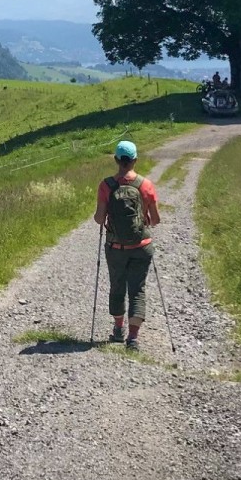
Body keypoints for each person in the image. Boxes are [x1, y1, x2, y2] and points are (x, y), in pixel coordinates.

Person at [93, 140, 161, 350]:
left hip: (115, 248)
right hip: (142, 246)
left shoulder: (106, 185)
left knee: (117, 287)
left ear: (116, 160)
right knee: (137, 289)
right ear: (135, 161)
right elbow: (156, 219)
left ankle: (118, 329)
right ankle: (133, 338)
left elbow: (98, 218)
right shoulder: (146, 185)